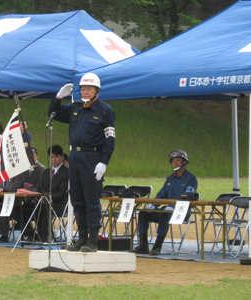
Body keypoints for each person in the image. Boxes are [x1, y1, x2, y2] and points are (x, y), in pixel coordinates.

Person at [48, 73, 115, 252]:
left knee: (91, 199)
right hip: (75, 157)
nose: (84, 92)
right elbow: (53, 114)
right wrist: (58, 98)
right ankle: (82, 237)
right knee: (77, 199)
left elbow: (110, 139)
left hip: (92, 159)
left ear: (97, 91)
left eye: (88, 89)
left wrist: (104, 162)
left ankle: (93, 240)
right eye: (83, 89)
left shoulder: (105, 111)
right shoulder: (75, 108)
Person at [130, 150, 198, 256]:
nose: (175, 163)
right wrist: (153, 205)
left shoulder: (191, 179)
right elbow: (162, 194)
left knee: (166, 214)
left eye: (178, 161)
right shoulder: (170, 178)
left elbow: (187, 196)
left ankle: (158, 245)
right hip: (167, 210)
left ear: (185, 162)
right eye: (173, 161)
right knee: (143, 213)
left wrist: (172, 206)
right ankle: (143, 245)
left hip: (181, 212)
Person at [41, 145, 69, 218]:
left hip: (58, 205)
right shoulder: (46, 172)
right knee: (24, 208)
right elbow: (41, 188)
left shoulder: (66, 173)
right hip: (44, 203)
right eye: (51, 157)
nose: (54, 159)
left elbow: (62, 193)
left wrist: (46, 198)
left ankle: (46, 229)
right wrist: (35, 198)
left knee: (41, 209)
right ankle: (29, 229)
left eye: (56, 156)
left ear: (62, 157)